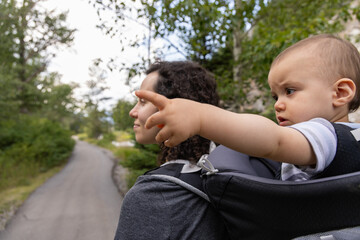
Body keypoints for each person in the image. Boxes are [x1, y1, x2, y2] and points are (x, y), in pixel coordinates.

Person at [136, 34, 360, 181]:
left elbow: (274, 141)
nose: (278, 104)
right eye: (275, 95)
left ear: (340, 93)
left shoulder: (325, 134)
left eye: (290, 91)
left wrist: (201, 117)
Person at [114, 61, 230, 239]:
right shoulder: (228, 175)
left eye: (143, 102)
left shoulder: (153, 194)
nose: (133, 111)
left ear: (171, 108)